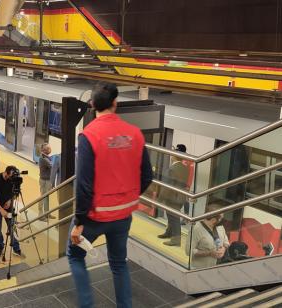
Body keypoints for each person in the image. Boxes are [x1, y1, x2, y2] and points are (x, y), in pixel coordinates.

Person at [68, 83, 153, 308]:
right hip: (123, 215)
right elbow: (147, 176)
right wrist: (128, 197)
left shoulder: (89, 136)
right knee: (119, 264)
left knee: (75, 255)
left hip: (95, 217)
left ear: (92, 105)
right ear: (115, 104)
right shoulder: (135, 133)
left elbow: (84, 185)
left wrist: (79, 222)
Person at [158, 144, 190, 247]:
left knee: (174, 218)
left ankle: (176, 240)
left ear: (174, 155)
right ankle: (169, 232)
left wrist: (159, 199)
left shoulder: (172, 169)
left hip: (172, 198)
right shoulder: (185, 168)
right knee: (171, 216)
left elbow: (167, 187)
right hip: (180, 197)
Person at [0, 166, 23, 258]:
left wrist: (9, 201)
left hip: (8, 207)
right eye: (10, 177)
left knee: (12, 227)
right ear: (6, 173)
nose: (11, 179)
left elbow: (16, 193)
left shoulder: (14, 179)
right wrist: (1, 210)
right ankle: (0, 247)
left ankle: (16, 248)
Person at [188, 204, 229, 269]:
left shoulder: (220, 226)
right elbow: (189, 251)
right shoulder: (196, 229)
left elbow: (226, 242)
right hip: (200, 269)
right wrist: (209, 253)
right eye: (220, 219)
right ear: (213, 220)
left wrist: (223, 249)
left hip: (217, 268)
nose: (222, 221)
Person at [38, 143, 55, 220]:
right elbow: (52, 166)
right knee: (43, 197)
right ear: (44, 150)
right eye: (48, 148)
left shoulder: (46, 157)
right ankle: (41, 215)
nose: (50, 149)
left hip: (46, 180)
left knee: (46, 197)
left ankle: (47, 213)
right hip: (44, 181)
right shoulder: (43, 159)